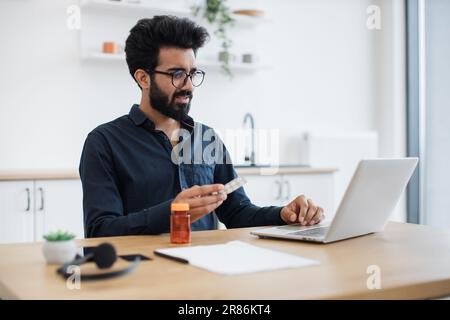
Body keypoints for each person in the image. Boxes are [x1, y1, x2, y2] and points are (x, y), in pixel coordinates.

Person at [79, 16, 324, 238]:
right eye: (176, 74)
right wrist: (172, 213)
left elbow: (237, 212)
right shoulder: (103, 142)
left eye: (192, 74)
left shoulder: (207, 138)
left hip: (206, 272)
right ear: (143, 78)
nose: (189, 86)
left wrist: (283, 214)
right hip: (144, 276)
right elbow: (100, 230)